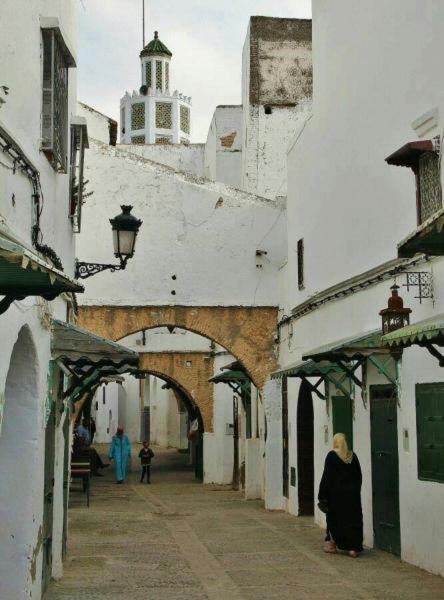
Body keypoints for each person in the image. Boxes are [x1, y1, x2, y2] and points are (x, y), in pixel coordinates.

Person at [318, 433, 363, 558]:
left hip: (336, 497)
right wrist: (355, 491)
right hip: (353, 497)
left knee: (335, 520)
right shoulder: (353, 457)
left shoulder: (332, 456)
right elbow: (359, 476)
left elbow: (326, 477)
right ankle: (353, 548)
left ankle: (332, 545)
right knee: (353, 520)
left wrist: (322, 495)